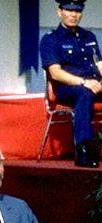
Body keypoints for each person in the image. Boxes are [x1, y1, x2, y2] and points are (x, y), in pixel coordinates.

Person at [39, 0, 102, 168]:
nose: (74, 15)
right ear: (59, 12)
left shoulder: (89, 36)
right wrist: (84, 82)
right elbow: (55, 73)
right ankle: (84, 149)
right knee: (85, 94)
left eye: (78, 11)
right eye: (69, 10)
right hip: (68, 87)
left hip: (93, 83)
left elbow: (99, 64)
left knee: (88, 92)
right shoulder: (50, 39)